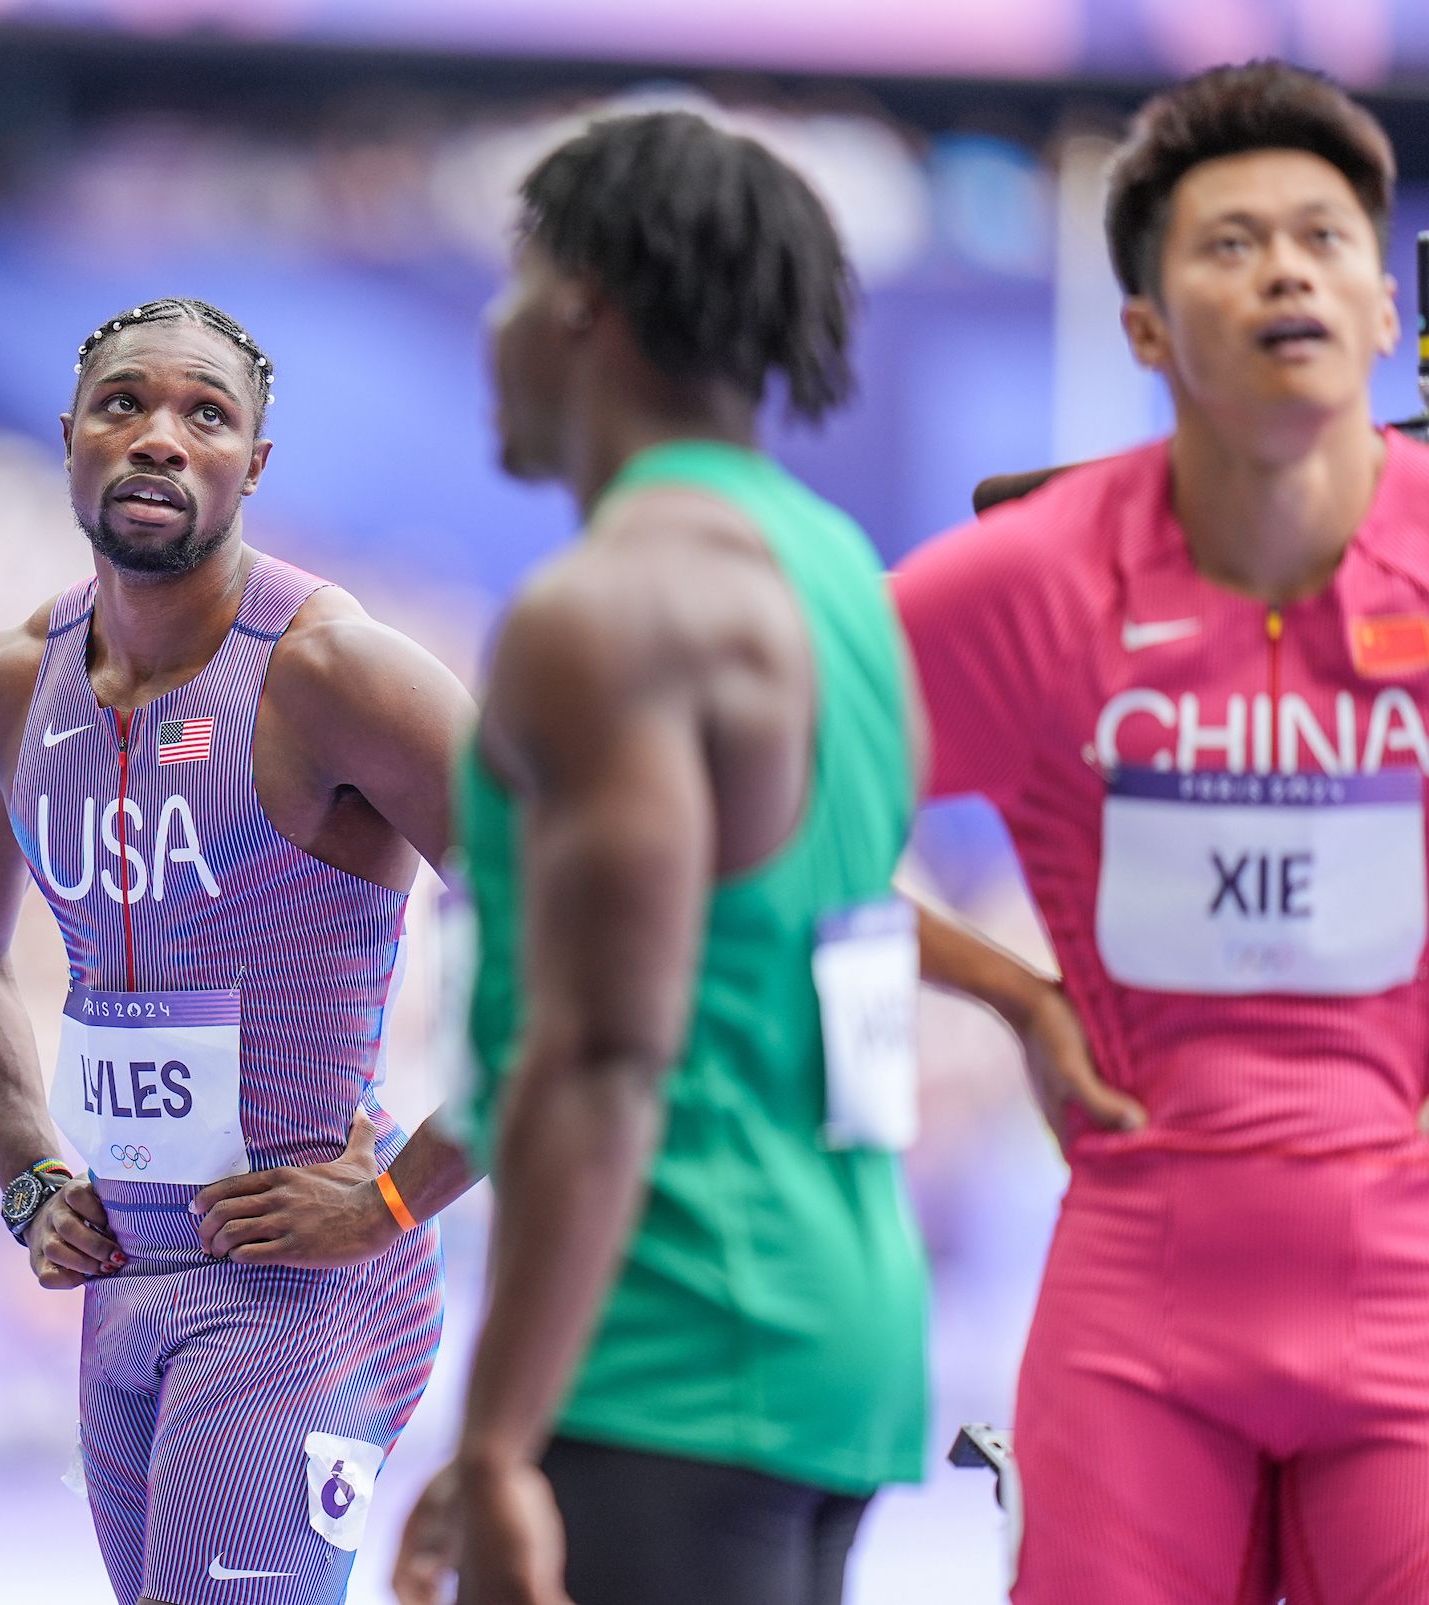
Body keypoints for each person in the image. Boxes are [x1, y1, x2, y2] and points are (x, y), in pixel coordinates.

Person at [895, 61, 1429, 1605]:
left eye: (1323, 239)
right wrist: (1014, 997)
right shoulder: (1029, 580)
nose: (1284, 270)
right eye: (1230, 241)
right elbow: (746, 807)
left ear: (1382, 308)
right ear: (1144, 325)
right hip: (1139, 1298)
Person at [392, 109, 929, 1605]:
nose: (493, 334)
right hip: (832, 1332)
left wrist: (497, 1442)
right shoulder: (837, 575)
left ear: (582, 309)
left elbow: (607, 1058)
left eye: (512, 287)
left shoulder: (610, 609)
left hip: (670, 1345)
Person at [0, 297, 479, 1605]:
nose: (160, 437)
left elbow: (587, 945)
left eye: (205, 415)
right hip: (124, 1282)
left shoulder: (340, 675)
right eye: (125, 405)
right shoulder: (9, 690)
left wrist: (397, 1197)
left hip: (306, 1284)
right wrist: (27, 1176)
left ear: (253, 466)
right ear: (69, 443)